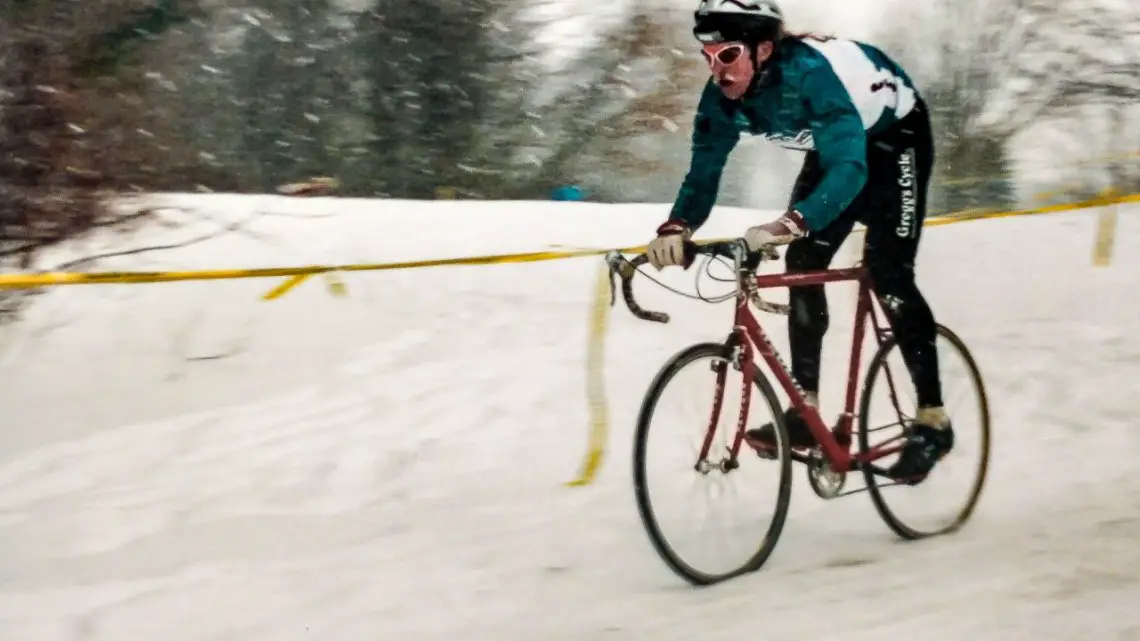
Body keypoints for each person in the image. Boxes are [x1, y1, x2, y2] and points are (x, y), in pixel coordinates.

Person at [645, 0, 953, 483]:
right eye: (707, 57)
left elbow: (851, 170)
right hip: (839, 145)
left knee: (889, 270)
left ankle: (933, 419)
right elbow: (703, 173)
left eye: (727, 55)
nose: (716, 69)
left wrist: (789, 221)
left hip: (897, 138)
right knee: (803, 258)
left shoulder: (810, 75)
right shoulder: (721, 98)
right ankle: (805, 412)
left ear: (763, 49)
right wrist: (676, 226)